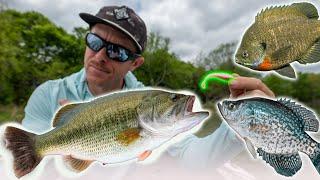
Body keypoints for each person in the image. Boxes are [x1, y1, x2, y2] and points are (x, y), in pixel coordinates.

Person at [20, 5, 275, 178]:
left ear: (135, 63)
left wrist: (241, 125)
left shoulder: (151, 107)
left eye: (117, 52)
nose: (99, 56)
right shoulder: (46, 96)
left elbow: (193, 159)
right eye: (95, 42)